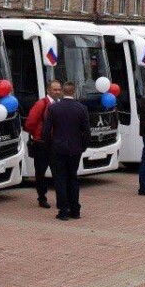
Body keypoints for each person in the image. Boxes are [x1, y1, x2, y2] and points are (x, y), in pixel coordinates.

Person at [42, 81, 90, 220]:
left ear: (63, 91)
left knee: (60, 180)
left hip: (58, 148)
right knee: (73, 178)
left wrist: (49, 145)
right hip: (75, 148)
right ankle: (75, 210)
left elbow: (46, 130)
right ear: (74, 92)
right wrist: (83, 146)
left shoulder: (54, 108)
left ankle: (63, 211)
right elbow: (86, 131)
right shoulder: (82, 108)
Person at [23, 79, 63, 209]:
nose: (57, 92)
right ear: (48, 90)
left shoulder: (60, 104)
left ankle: (60, 199)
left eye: (59, 89)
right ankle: (42, 198)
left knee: (58, 172)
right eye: (55, 89)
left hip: (55, 144)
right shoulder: (41, 104)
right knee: (40, 173)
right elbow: (30, 123)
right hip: (42, 144)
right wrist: (38, 134)